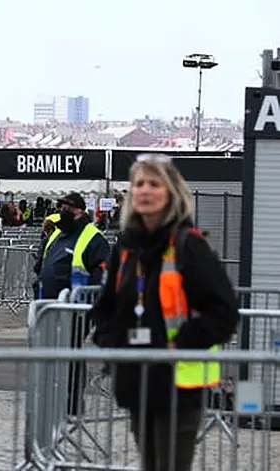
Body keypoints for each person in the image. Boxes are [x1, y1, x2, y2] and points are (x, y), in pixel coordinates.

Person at [90, 154, 238, 471]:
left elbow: (223, 311)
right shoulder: (126, 248)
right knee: (150, 463)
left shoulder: (189, 246)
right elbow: (106, 308)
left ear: (171, 192)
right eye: (138, 183)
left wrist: (181, 343)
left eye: (154, 184)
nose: (144, 190)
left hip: (178, 381)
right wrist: (113, 343)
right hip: (136, 376)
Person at [35, 192, 110, 415]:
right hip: (48, 307)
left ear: (79, 211)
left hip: (76, 310)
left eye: (67, 208)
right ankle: (51, 400)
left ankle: (72, 402)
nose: (62, 212)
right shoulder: (57, 234)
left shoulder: (92, 237)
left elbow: (102, 274)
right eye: (61, 207)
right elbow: (42, 263)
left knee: (71, 355)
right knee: (50, 354)